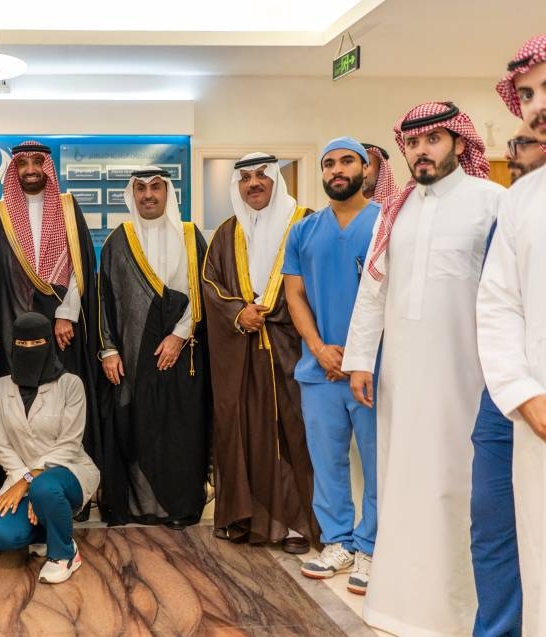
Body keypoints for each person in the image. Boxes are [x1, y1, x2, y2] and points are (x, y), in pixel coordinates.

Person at [342, 101, 505, 636]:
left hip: (470, 376)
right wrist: (360, 360)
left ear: (458, 142)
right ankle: (397, 606)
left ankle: (460, 613)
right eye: (412, 143)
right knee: (401, 481)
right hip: (402, 377)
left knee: (459, 486)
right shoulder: (397, 210)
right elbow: (373, 291)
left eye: (433, 140)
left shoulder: (492, 201)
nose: (421, 151)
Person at [201, 152, 318, 553]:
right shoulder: (226, 233)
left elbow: (316, 282)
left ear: (275, 179)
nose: (253, 183)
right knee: (245, 431)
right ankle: (248, 519)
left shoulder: (305, 222)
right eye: (246, 177)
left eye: (261, 176)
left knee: (295, 433)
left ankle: (298, 524)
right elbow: (210, 284)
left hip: (293, 349)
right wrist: (239, 313)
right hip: (244, 354)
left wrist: (269, 312)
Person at [282, 138, 380, 595]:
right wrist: (320, 349)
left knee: (378, 463)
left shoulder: (386, 223)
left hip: (374, 370)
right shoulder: (303, 231)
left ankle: (372, 547)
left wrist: (359, 356)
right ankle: (338, 541)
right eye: (328, 164)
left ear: (365, 169)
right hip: (319, 371)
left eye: (346, 161)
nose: (336, 170)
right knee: (327, 462)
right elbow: (294, 296)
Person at [0, 141, 100, 489]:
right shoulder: (0, 212)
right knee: (18, 410)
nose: (30, 169)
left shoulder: (68, 206)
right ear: (14, 169)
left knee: (64, 404)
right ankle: (15, 483)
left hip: (62, 325)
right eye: (23, 163)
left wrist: (67, 314)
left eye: (37, 162)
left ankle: (68, 484)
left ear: (47, 167)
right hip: (14, 328)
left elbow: (80, 266)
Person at [478, 32, 546, 637]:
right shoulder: (522, 199)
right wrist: (525, 394)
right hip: (536, 416)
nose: (536, 105)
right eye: (526, 94)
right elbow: (498, 305)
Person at [97, 167, 209, 528]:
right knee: (137, 426)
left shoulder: (190, 236)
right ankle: (136, 505)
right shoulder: (118, 240)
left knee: (180, 431)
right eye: (141, 188)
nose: (148, 195)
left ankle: (180, 507)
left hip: (183, 354)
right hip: (132, 356)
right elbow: (104, 299)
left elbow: (203, 291)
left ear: (167, 192)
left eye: (156, 187)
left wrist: (179, 334)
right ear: (133, 194)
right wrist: (108, 349)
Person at [0, 312, 99, 583]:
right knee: (1, 534)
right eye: (22, 344)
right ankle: (48, 530)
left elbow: (69, 444)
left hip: (67, 471)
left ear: (48, 343)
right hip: (21, 476)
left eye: (36, 343)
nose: (29, 349)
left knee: (44, 487)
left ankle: (64, 554)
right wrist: (25, 481)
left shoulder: (70, 385)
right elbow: (2, 447)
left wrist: (29, 481)